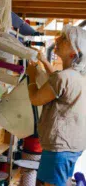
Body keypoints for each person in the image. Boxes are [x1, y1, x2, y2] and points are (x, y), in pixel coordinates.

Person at [26, 25, 86, 186]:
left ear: (75, 53)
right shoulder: (77, 76)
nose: (57, 39)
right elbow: (57, 81)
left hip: (59, 148)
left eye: (64, 39)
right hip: (71, 145)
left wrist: (31, 77)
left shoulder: (64, 77)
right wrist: (44, 61)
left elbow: (36, 99)